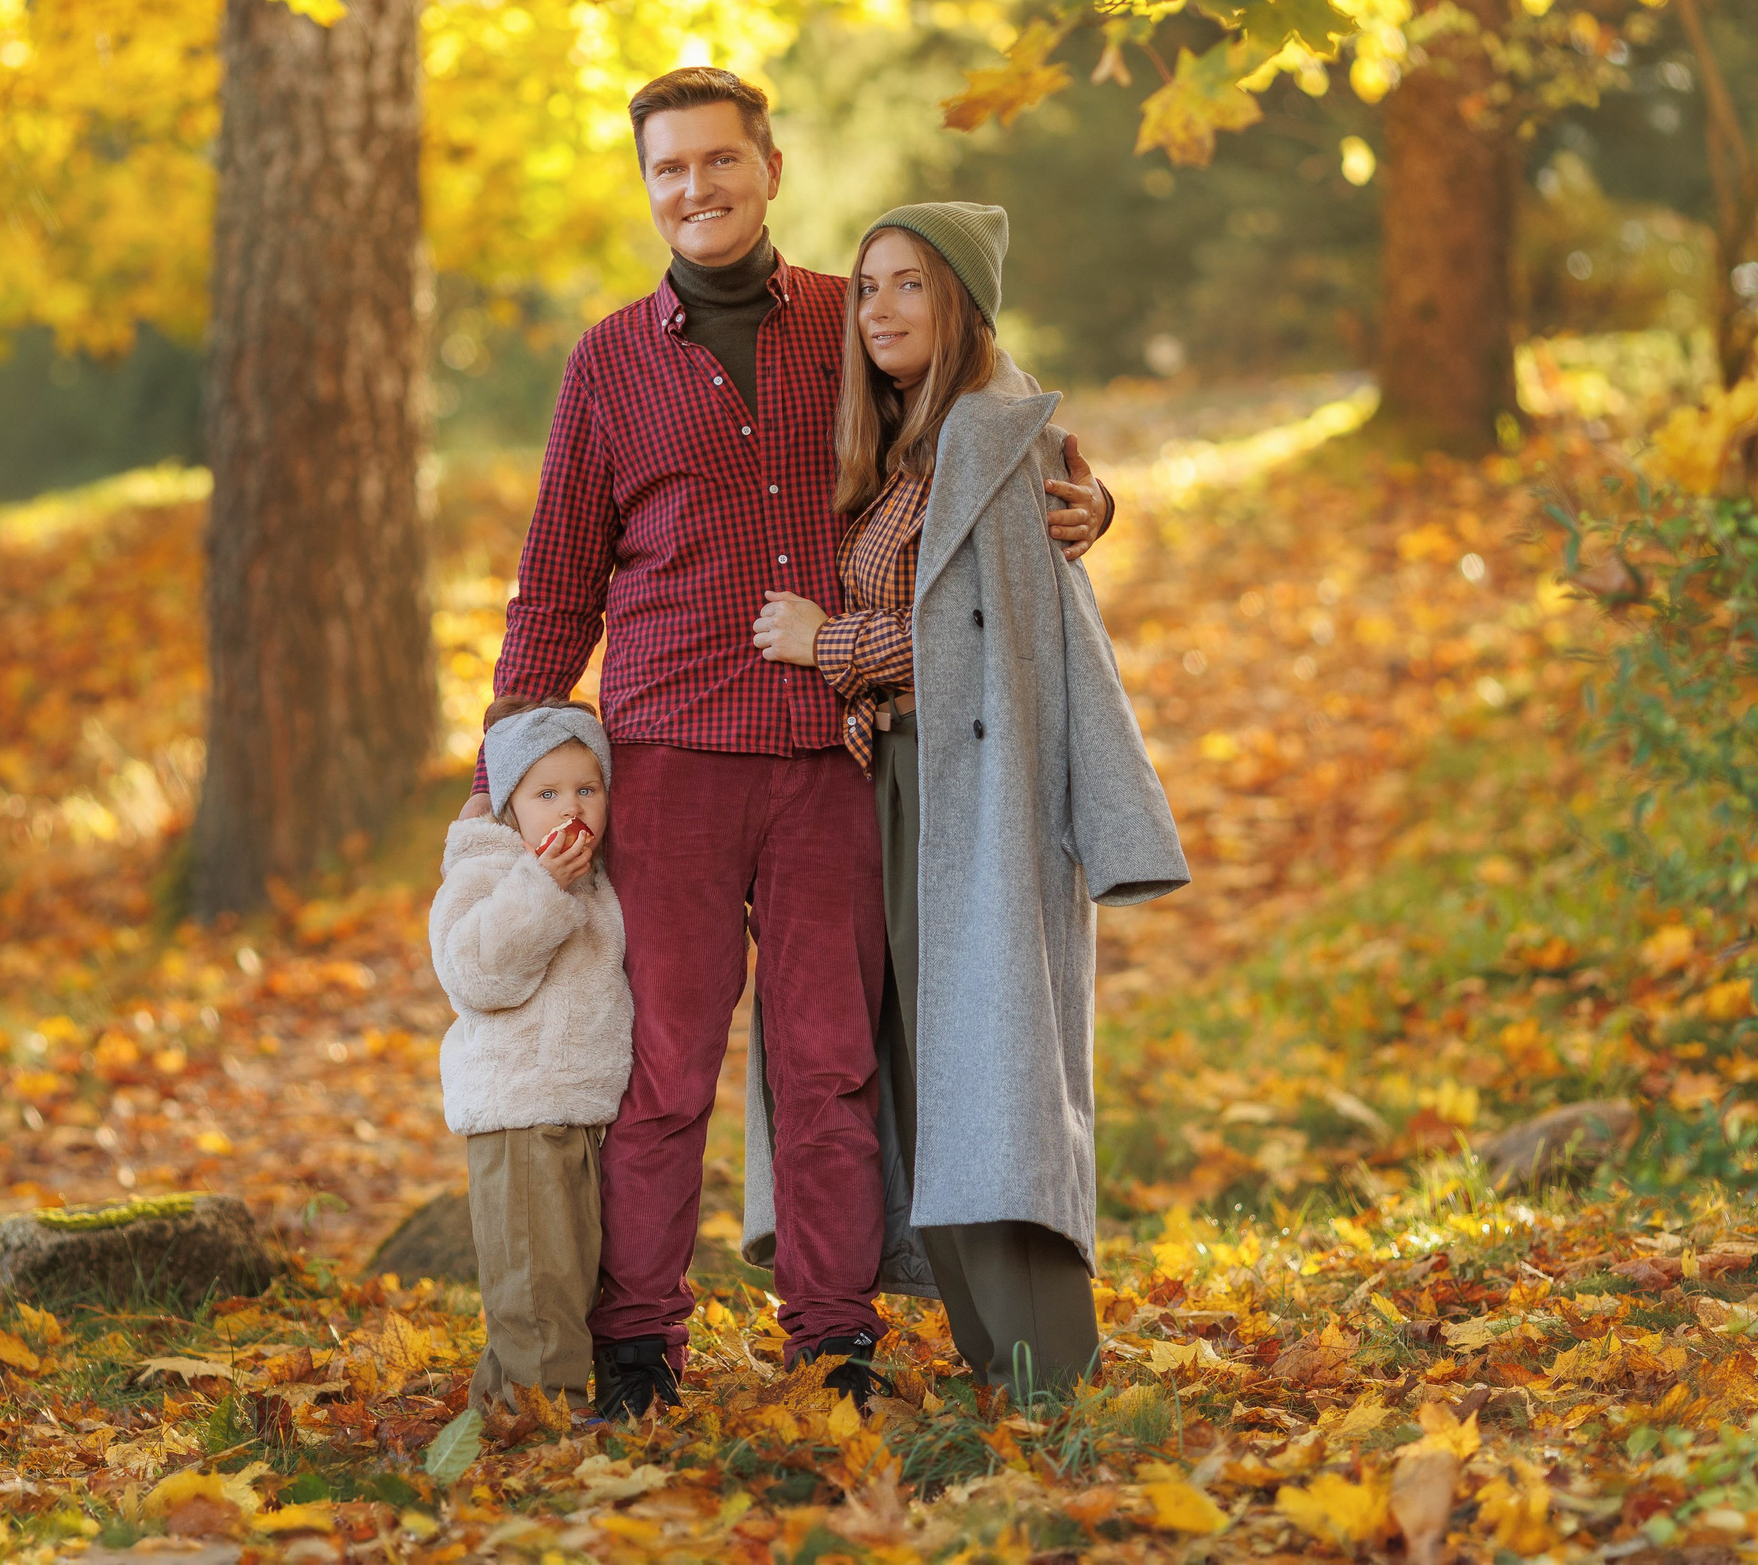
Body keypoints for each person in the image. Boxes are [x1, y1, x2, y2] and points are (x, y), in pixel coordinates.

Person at [461, 69, 1116, 1420]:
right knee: (663, 1078)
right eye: (668, 171)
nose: (694, 189)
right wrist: (506, 781)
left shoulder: (850, 315)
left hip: (836, 757)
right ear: (648, 189)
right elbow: (556, 584)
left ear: (769, 165)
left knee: (829, 1066)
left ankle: (833, 1344)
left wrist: (1085, 492)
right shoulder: (607, 361)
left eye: (718, 162)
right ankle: (638, 1349)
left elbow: (990, 411)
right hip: (669, 766)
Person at [751, 203, 1190, 1397]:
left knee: (986, 1055)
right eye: (867, 288)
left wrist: (823, 646)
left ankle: (1049, 1370)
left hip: (973, 788)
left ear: (962, 306)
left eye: (908, 287)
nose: (880, 310)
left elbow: (976, 634)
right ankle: (1001, 1362)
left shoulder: (994, 435)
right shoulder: (907, 438)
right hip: (892, 780)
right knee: (918, 1056)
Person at [430, 702, 630, 1410]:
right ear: (510, 804)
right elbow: (477, 972)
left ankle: (506, 1412)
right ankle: (547, 1425)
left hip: (574, 1108)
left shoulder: (596, 877)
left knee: (561, 1279)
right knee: (534, 1284)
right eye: (546, 794)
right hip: (518, 1113)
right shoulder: (489, 870)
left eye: (587, 789)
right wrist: (541, 888)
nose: (568, 807)